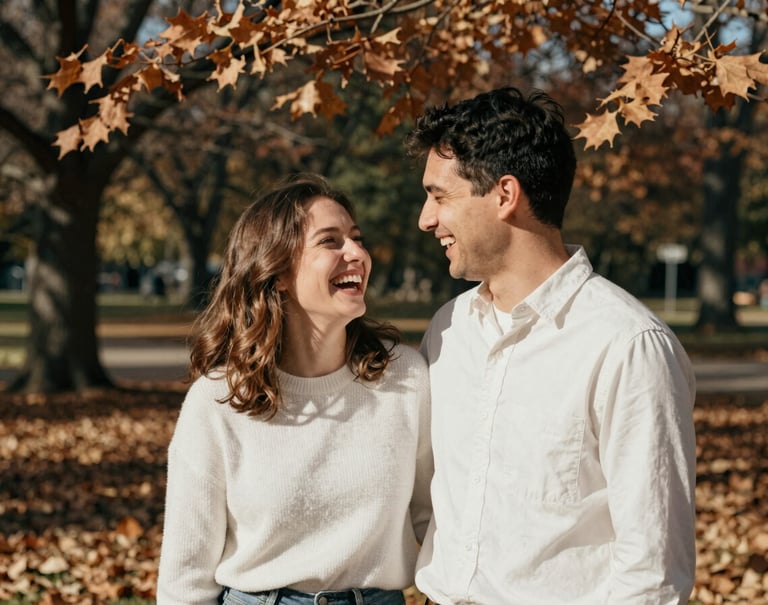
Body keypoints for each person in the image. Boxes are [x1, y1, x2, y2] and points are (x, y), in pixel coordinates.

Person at [405, 87, 697, 604]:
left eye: (440, 195)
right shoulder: (449, 328)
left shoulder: (627, 344)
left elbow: (652, 570)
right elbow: (430, 499)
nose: (426, 219)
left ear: (504, 194)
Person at [156, 174, 433, 605]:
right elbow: (184, 577)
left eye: (356, 239)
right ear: (278, 271)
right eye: (331, 241)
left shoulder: (405, 380)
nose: (357, 253)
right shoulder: (218, 402)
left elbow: (435, 519)